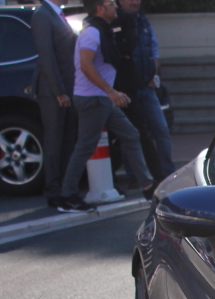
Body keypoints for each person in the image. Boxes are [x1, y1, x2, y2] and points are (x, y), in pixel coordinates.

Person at [57, 0, 154, 212]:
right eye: (111, 4)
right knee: (85, 146)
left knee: (131, 135)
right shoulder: (92, 33)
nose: (115, 7)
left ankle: (148, 186)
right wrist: (111, 91)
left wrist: (110, 92)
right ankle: (67, 195)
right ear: (100, 8)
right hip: (93, 99)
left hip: (101, 97)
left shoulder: (104, 31)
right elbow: (85, 65)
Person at [114, 0, 174, 178]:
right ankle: (135, 175)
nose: (135, 2)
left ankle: (167, 172)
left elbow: (153, 51)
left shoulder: (143, 21)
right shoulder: (116, 21)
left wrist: (153, 75)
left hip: (147, 87)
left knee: (161, 130)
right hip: (127, 88)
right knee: (131, 133)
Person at [31, 0, 79, 209]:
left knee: (68, 140)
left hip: (69, 87)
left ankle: (66, 189)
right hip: (53, 92)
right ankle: (53, 191)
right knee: (54, 141)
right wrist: (59, 91)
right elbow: (46, 57)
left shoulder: (57, 14)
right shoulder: (42, 15)